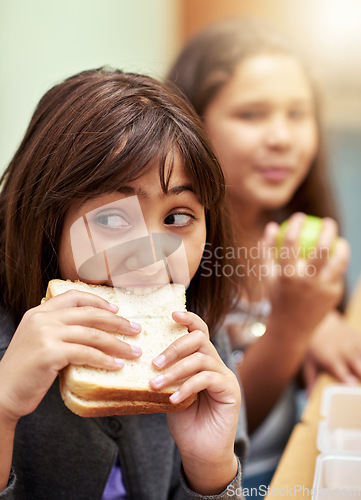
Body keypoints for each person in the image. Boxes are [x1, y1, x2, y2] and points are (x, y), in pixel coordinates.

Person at [0, 68, 248, 499]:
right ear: (46, 223)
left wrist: (210, 464)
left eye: (177, 218)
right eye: (112, 219)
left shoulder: (198, 340)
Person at [167, 18, 358, 491]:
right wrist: (294, 326)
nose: (281, 137)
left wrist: (317, 319)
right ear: (191, 122)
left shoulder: (298, 233)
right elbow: (208, 425)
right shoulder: (176, 251)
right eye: (251, 115)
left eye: (297, 114)